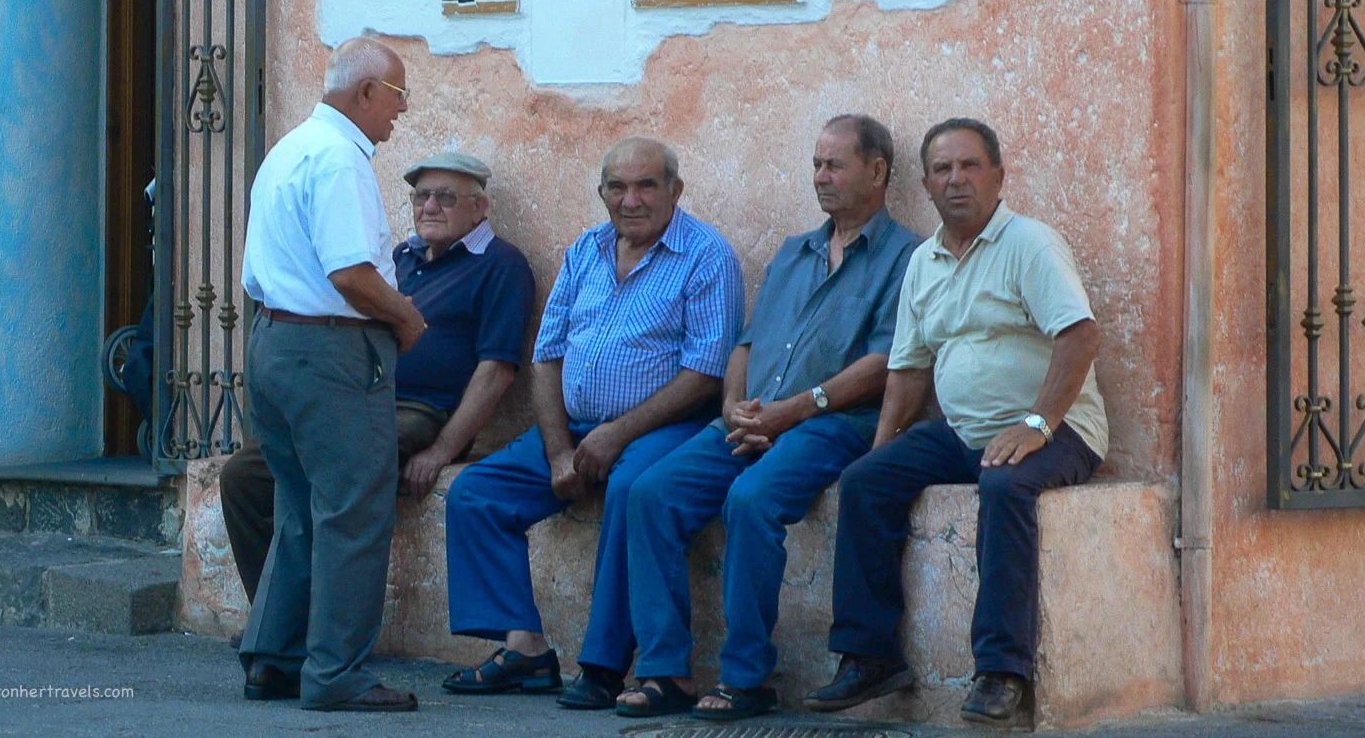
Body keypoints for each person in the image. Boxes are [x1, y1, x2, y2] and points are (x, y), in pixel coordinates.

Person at [805, 118, 1108, 729]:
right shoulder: (924, 261)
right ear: (926, 182)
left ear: (999, 176)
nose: (956, 180)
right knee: (865, 481)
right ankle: (869, 657)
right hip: (965, 431)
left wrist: (1037, 423)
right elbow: (909, 369)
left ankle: (1002, 671)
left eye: (970, 166)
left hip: (1058, 428)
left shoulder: (1030, 244)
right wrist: (882, 449)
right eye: (943, 170)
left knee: (1005, 485)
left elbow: (1080, 335)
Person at [619, 115, 920, 721]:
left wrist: (793, 411)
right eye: (815, 164)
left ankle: (746, 676)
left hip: (833, 423)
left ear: (878, 171)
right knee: (651, 493)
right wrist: (733, 404)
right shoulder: (794, 252)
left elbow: (887, 363)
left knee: (752, 500)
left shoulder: (906, 256)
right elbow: (747, 344)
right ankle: (666, 669)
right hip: (755, 417)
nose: (821, 177)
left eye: (834, 165)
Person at [441, 137, 745, 710]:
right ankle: (525, 648)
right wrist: (559, 450)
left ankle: (604, 666)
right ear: (602, 193)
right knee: (476, 493)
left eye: (646, 185)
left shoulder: (708, 256)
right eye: (617, 187)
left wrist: (616, 434)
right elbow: (547, 355)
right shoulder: (586, 250)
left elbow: (705, 372)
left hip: (667, 426)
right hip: (576, 427)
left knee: (632, 490)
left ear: (675, 190)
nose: (630, 199)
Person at [219, 151, 536, 604]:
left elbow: (497, 370)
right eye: (421, 196)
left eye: (446, 197)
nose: (430, 206)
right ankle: (277, 621)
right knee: (243, 476)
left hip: (418, 412)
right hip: (356, 400)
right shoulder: (400, 257)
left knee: (336, 469)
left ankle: (317, 630)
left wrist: (443, 449)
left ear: (479, 208)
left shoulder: (500, 264)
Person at [236, 36, 426, 713]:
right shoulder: (341, 158)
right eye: (399, 97)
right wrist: (406, 317)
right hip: (331, 352)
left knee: (298, 508)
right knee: (353, 514)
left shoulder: (290, 149)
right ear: (366, 93)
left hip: (275, 342)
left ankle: (275, 657)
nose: (402, 113)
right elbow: (350, 273)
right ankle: (337, 673)